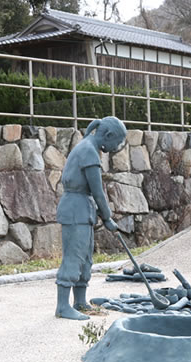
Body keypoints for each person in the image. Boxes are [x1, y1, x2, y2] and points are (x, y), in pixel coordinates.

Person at [55, 116, 126, 320]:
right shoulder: (88, 151)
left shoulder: (88, 148)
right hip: (75, 209)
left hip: (83, 209)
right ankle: (62, 306)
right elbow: (98, 192)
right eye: (117, 143)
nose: (116, 148)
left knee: (85, 258)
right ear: (108, 135)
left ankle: (79, 301)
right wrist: (108, 218)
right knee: (74, 257)